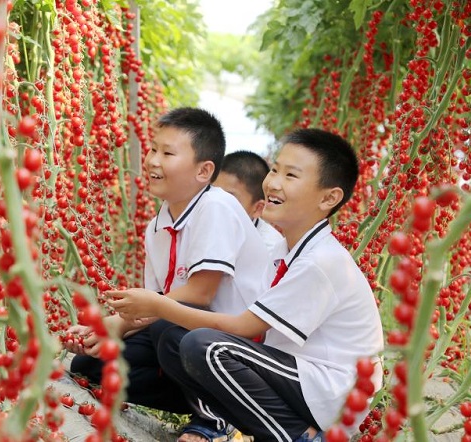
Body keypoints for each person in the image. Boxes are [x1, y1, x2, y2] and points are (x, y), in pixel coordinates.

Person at [109, 128, 385, 442]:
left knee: (206, 347)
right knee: (174, 333)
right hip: (300, 379)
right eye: (276, 169)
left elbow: (243, 327)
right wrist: (153, 316)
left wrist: (159, 306)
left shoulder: (322, 260)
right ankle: (223, 423)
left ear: (329, 198)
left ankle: (297, 436)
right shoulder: (284, 252)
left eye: (291, 175)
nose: (274, 182)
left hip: (331, 390)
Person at [66, 108, 271, 435]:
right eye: (152, 149)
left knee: (171, 328)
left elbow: (199, 295)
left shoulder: (216, 206)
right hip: (185, 337)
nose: (152, 161)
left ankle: (215, 420)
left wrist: (120, 321)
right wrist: (108, 329)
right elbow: (157, 306)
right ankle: (206, 400)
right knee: (91, 365)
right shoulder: (158, 225)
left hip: (235, 351)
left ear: (204, 171)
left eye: (168, 153)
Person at [215, 150, 284, 253]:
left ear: (258, 208)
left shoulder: (269, 249)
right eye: (214, 194)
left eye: (229, 200)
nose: (216, 204)